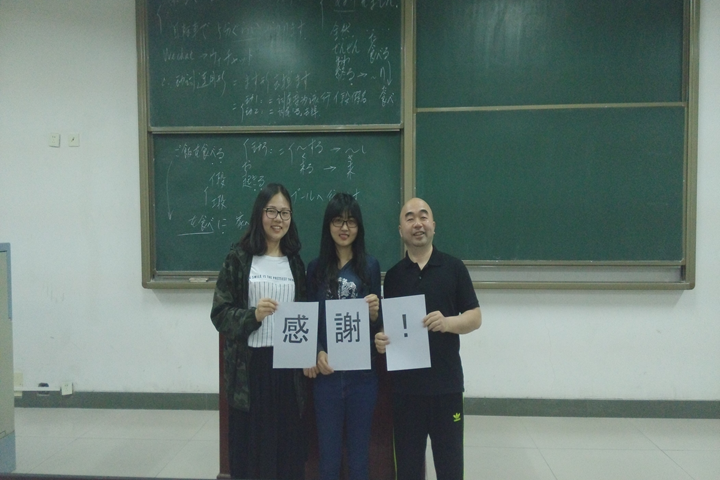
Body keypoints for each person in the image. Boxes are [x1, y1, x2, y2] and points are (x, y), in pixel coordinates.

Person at [374, 197, 481, 480]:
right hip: (406, 391)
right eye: (409, 218)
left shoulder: (454, 268)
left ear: (433, 224)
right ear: (401, 230)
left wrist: (448, 323)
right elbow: (390, 325)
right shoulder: (394, 276)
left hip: (446, 387)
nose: (417, 223)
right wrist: (381, 340)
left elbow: (475, 317)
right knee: (408, 468)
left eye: (423, 216)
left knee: (450, 467)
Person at [210, 183, 312, 480]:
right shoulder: (239, 258)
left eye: (285, 213)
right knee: (252, 448)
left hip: (288, 370)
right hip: (250, 369)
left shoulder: (295, 262)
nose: (278, 219)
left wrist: (307, 353)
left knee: (286, 448)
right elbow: (220, 314)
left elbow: (303, 313)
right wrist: (253, 316)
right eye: (272, 211)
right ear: (259, 214)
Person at [305, 192, 382, 480]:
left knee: (359, 459)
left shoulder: (370, 266)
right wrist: (317, 351)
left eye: (351, 221)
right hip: (326, 376)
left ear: (359, 227)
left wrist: (374, 314)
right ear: (328, 225)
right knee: (328, 459)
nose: (344, 228)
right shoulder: (315, 269)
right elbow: (309, 318)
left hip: (362, 377)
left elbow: (378, 325)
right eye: (338, 221)